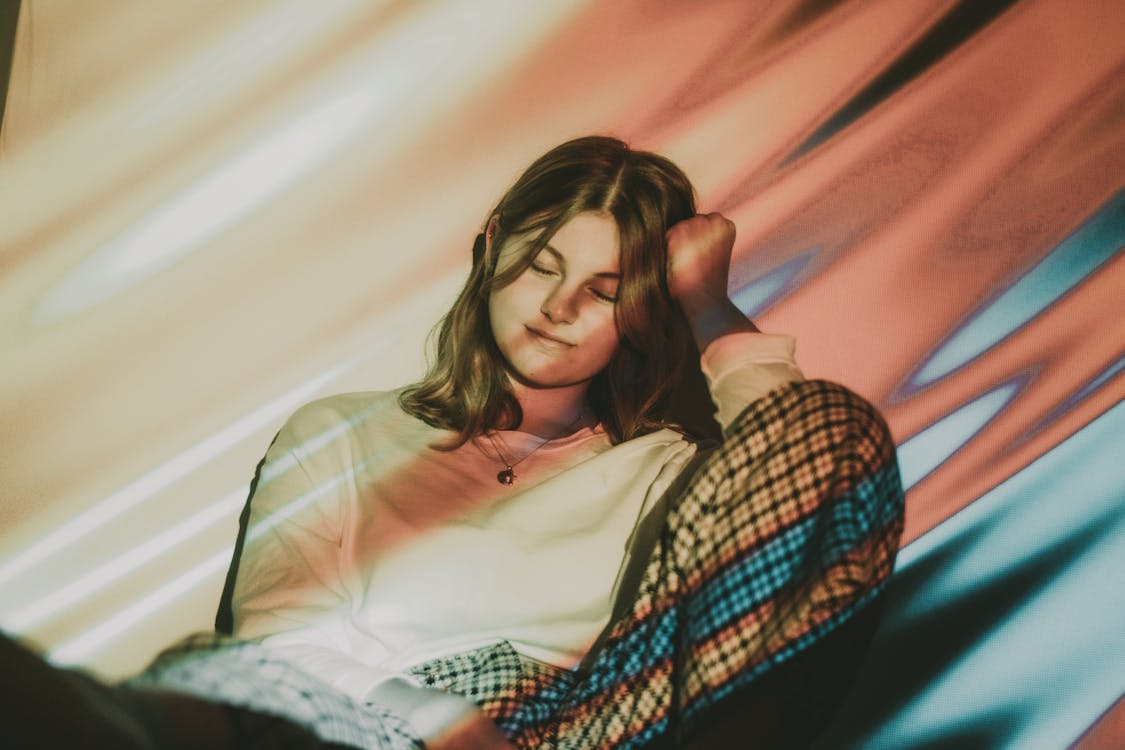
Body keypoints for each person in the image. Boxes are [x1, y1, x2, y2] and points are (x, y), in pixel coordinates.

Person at [4, 136, 904, 749]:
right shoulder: (344, 433)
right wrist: (433, 718)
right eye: (539, 265)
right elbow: (279, 640)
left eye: (603, 289)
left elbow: (820, 468)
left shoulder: (665, 473)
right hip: (339, 719)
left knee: (836, 427)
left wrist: (708, 307)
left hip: (574, 731)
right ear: (488, 255)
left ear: (645, 313)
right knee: (173, 699)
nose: (556, 307)